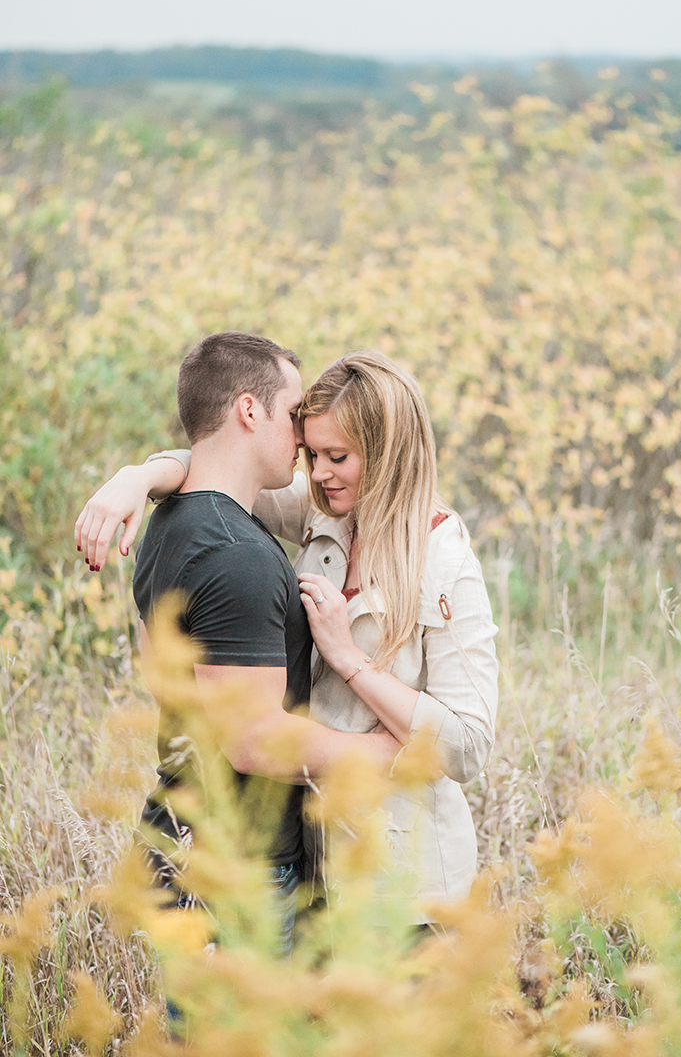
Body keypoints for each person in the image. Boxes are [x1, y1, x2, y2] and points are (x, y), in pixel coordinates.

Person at [75, 349, 499, 917]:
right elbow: (222, 468)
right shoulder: (325, 512)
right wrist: (139, 476)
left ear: (388, 451)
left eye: (337, 456)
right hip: (315, 864)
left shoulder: (446, 564)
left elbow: (467, 748)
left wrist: (349, 660)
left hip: (403, 882)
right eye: (312, 452)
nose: (317, 473)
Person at [101, 332, 400, 959]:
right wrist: (377, 750)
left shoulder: (172, 522)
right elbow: (254, 741)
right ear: (247, 410)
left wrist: (142, 473)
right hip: (236, 872)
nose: (302, 436)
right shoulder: (238, 555)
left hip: (189, 846)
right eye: (292, 415)